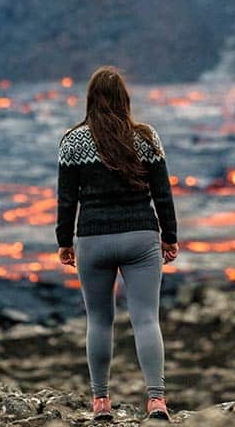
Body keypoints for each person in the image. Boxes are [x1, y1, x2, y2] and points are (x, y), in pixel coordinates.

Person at [55, 65, 179, 422]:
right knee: (145, 320)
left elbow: (67, 200)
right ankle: (156, 400)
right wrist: (169, 236)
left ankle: (101, 404)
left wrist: (65, 241)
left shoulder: (72, 141)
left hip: (92, 238)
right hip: (140, 237)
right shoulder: (146, 137)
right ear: (125, 99)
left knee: (98, 320)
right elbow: (162, 194)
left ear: (90, 100)